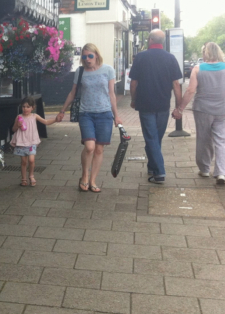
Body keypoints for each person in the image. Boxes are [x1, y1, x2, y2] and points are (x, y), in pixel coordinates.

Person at [56, 43, 123, 193]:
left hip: (105, 114)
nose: (87, 59)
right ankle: (84, 176)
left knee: (99, 149)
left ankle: (93, 180)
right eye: (84, 57)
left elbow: (112, 94)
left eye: (90, 56)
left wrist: (116, 116)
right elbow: (72, 93)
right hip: (86, 114)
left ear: (96, 55)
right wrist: (62, 111)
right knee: (89, 147)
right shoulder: (80, 72)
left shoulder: (108, 70)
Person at [173, 42, 225, 185]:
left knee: (204, 138)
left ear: (205, 54)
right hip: (224, 110)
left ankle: (205, 169)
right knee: (221, 141)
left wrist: (180, 109)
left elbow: (190, 91)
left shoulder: (198, 69)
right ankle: (222, 172)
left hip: (203, 109)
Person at [128, 29, 183, 184]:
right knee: (155, 138)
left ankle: (159, 173)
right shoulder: (170, 58)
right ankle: (152, 166)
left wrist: (134, 99)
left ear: (150, 40)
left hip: (145, 105)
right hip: (163, 105)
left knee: (151, 138)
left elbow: (133, 83)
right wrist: (178, 107)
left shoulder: (140, 57)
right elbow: (176, 85)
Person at [11, 96, 57, 187]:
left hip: (31, 142)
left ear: (33, 107)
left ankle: (31, 176)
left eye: (28, 107)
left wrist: (56, 120)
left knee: (31, 160)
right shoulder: (19, 117)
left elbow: (46, 121)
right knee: (23, 162)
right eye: (23, 106)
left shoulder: (34, 116)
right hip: (21, 142)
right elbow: (14, 129)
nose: (25, 109)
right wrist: (17, 124)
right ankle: (23, 179)